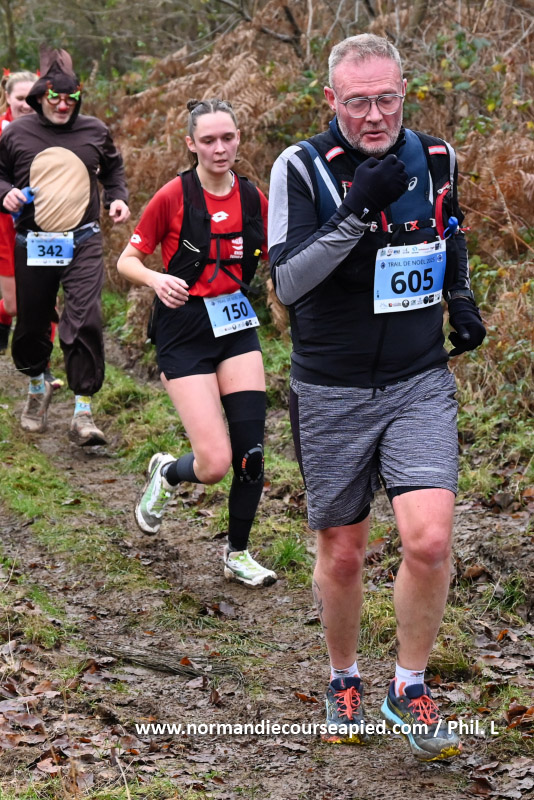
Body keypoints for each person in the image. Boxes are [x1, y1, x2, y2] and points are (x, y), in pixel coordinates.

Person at [268, 34, 486, 760]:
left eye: (385, 99)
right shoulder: (301, 167)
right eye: (357, 102)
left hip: (419, 379)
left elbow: (450, 229)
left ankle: (408, 684)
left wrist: (460, 298)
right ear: (331, 99)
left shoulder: (437, 155)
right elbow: (287, 283)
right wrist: (357, 210)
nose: (373, 116)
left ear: (404, 92)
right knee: (344, 551)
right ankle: (344, 676)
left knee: (429, 539)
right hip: (331, 387)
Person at [117, 98, 277, 589]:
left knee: (251, 454)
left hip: (235, 324)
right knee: (214, 464)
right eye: (208, 140)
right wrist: (156, 278)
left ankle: (238, 553)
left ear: (238, 138)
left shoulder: (252, 197)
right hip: (183, 328)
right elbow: (127, 260)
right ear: (192, 144)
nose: (220, 148)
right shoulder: (173, 195)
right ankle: (168, 473)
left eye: (227, 137)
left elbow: (278, 252)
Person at [0, 47, 130, 445]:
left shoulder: (95, 130)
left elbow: (113, 169)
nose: (61, 106)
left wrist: (117, 198)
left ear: (78, 99)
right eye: (54, 98)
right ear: (39, 97)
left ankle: (82, 411)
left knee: (85, 318)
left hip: (83, 240)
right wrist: (5, 193)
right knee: (32, 323)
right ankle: (37, 387)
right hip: (34, 241)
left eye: (69, 99)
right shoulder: (16, 134)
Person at [0, 71, 36, 352]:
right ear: (8, 97)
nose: (26, 104)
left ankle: (41, 367)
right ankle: (3, 316)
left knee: (45, 296)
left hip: (43, 222)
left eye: (31, 98)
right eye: (20, 98)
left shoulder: (54, 128)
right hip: (4, 224)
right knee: (13, 305)